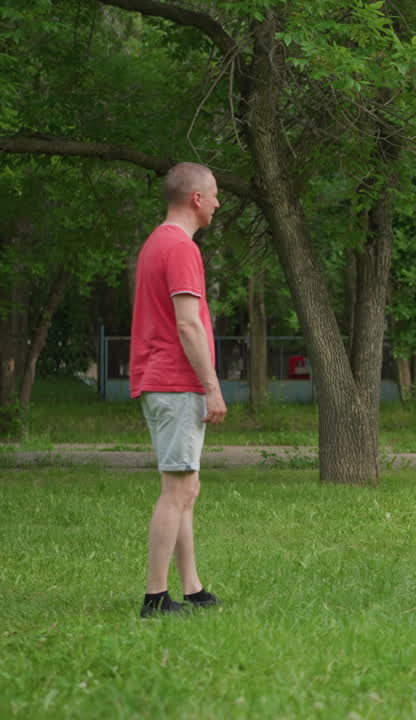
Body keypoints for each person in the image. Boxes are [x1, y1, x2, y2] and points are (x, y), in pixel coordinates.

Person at [131, 162, 226, 616]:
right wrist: (212, 386)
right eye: (213, 195)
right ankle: (155, 598)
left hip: (161, 379)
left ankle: (192, 589)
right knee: (176, 490)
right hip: (175, 380)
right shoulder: (181, 247)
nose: (217, 204)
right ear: (195, 199)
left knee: (187, 487)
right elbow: (188, 324)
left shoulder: (156, 242)